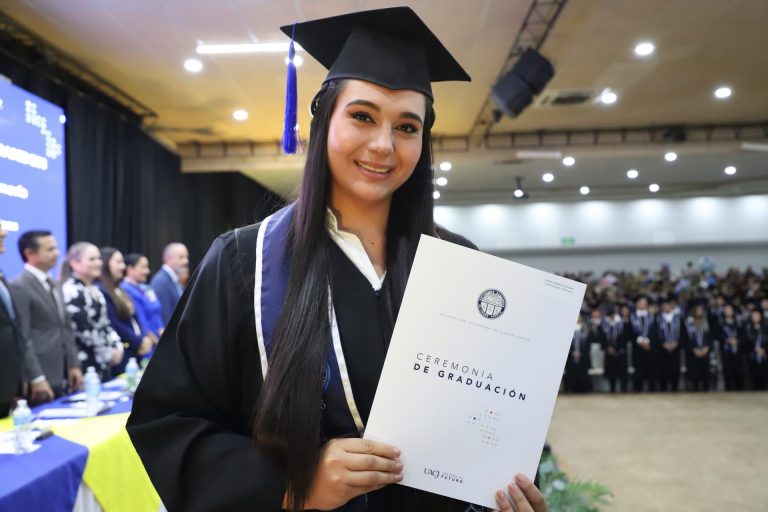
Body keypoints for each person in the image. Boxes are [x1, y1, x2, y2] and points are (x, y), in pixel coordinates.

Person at [128, 7, 546, 512]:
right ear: (325, 119)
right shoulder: (243, 263)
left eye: (407, 127)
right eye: (363, 116)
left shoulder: (458, 264)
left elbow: (491, 418)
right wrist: (291, 483)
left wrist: (506, 493)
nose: (383, 145)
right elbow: (168, 423)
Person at [10, 230, 83, 398]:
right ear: (29, 253)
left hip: (63, 372)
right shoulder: (19, 286)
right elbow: (22, 336)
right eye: (50, 249)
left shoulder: (55, 284)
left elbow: (65, 327)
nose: (57, 253)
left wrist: (73, 364)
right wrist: (36, 377)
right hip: (41, 375)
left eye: (56, 248)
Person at [61, 242, 123, 381]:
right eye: (92, 259)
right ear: (74, 263)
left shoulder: (96, 291)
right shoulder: (72, 290)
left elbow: (106, 324)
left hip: (102, 362)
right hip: (84, 364)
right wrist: (109, 353)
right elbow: (85, 331)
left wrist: (117, 347)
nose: (98, 263)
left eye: (99, 258)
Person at [0, 224, 45, 415]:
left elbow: (13, 329)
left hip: (9, 386)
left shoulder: (2, 275)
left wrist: (20, 379)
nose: (4, 232)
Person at [98, 248, 154, 374]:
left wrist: (143, 339)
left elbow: (134, 319)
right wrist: (138, 342)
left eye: (123, 262)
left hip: (136, 352)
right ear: (106, 264)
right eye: (118, 262)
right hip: (123, 353)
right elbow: (115, 324)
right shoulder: (102, 291)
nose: (123, 266)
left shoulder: (119, 289)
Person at [121, 253, 164, 340]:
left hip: (159, 336)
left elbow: (156, 312)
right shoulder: (125, 289)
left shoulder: (145, 288)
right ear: (130, 269)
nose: (147, 271)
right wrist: (153, 340)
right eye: (143, 267)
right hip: (147, 340)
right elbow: (140, 319)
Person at [149, 242, 189, 324]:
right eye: (181, 257)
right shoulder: (161, 281)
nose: (186, 261)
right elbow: (164, 315)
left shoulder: (174, 279)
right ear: (168, 259)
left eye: (186, 257)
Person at [630, 296, 658, 392]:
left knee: (651, 367)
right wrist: (640, 340)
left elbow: (655, 330)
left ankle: (652, 389)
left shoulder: (652, 316)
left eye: (645, 302)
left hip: (650, 346)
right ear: (636, 304)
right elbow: (630, 331)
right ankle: (638, 389)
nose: (643, 304)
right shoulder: (632, 316)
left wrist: (648, 340)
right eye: (641, 302)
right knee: (638, 368)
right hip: (637, 346)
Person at [656, 298, 685, 392]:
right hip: (662, 349)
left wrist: (677, 343)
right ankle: (663, 388)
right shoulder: (657, 318)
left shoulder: (679, 318)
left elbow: (683, 333)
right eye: (665, 305)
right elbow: (654, 334)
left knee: (675, 369)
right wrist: (662, 344)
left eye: (668, 305)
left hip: (675, 349)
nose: (667, 307)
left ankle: (675, 388)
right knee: (663, 370)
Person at [684, 304, 713, 391]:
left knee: (706, 377)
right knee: (694, 377)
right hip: (693, 353)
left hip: (705, 352)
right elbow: (685, 339)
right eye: (698, 310)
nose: (700, 312)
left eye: (701, 310)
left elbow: (710, 337)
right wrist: (693, 349)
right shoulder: (688, 323)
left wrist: (707, 348)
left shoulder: (706, 322)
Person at [601, 304, 628, 392]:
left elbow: (624, 338)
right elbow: (602, 338)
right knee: (611, 371)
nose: (612, 316)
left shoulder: (621, 324)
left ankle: (623, 389)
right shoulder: (604, 325)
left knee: (622, 371)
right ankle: (612, 388)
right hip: (609, 352)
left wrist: (616, 348)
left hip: (620, 351)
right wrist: (608, 347)